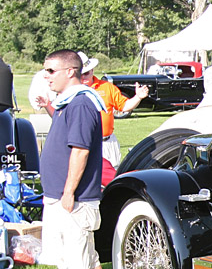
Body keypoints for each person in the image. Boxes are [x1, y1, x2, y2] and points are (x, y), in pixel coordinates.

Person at [35, 49, 107, 269]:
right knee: (67, 257)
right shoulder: (66, 103)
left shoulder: (80, 104)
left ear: (70, 72)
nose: (45, 76)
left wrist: (68, 192)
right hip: (57, 196)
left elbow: (80, 150)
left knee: (85, 259)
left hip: (74, 199)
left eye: (51, 70)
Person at [37, 52, 149, 186]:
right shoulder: (67, 92)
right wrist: (47, 106)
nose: (84, 76)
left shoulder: (106, 87)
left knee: (113, 179)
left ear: (92, 71)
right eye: (81, 73)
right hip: (82, 143)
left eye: (87, 73)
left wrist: (138, 97)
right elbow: (60, 118)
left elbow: (124, 106)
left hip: (106, 142)